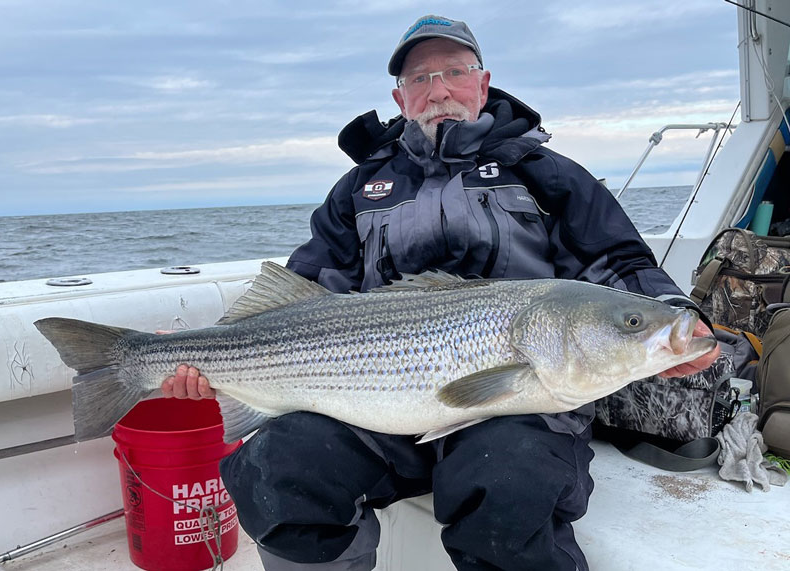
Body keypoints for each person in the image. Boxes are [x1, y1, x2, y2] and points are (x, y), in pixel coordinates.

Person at [162, 15, 720, 571]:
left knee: (509, 482)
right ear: (400, 98)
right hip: (369, 404)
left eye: (454, 70)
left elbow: (620, 261)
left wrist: (671, 316)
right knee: (279, 469)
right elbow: (306, 289)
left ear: (483, 81)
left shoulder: (546, 174)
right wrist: (207, 349)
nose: (438, 89)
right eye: (419, 79)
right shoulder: (359, 188)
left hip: (523, 411)